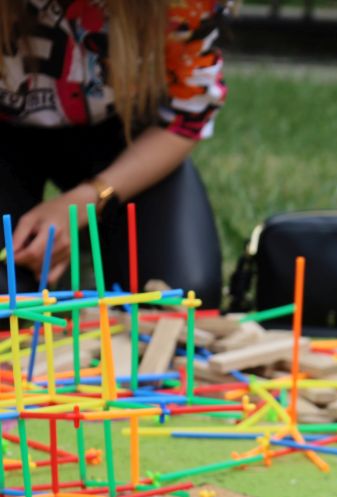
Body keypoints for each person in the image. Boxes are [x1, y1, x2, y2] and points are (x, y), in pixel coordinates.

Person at [0, 0, 227, 308]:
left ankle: (89, 245)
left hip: (125, 136)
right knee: (8, 302)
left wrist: (88, 200)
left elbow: (187, 115)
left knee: (179, 298)